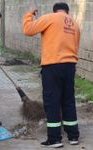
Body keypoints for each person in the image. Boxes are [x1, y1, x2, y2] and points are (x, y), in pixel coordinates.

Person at [23, 2, 80, 148]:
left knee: (52, 101)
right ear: (67, 11)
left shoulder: (51, 18)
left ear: (55, 11)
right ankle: (73, 136)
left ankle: (55, 139)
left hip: (53, 65)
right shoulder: (75, 24)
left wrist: (29, 15)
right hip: (70, 66)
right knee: (68, 100)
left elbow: (28, 30)